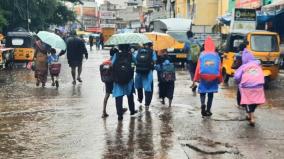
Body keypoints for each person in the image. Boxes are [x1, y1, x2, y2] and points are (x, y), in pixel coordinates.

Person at [234, 49, 266, 126]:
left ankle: (252, 118)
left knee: (247, 101)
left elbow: (237, 77)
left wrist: (239, 82)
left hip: (246, 87)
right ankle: (249, 115)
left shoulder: (244, 66)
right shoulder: (258, 65)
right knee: (255, 101)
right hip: (259, 86)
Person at [194, 36, 222, 117]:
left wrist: (196, 78)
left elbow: (198, 67)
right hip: (213, 77)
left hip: (203, 76)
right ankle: (208, 110)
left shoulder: (202, 55)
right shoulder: (216, 55)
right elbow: (219, 68)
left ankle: (203, 104)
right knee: (210, 93)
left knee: (202, 92)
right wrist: (220, 79)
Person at [112, 44, 138, 121]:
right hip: (128, 79)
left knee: (118, 96)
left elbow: (112, 64)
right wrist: (131, 67)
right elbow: (135, 63)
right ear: (128, 48)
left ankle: (120, 115)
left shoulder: (116, 55)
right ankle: (132, 111)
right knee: (130, 95)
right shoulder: (130, 55)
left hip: (118, 79)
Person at [134, 42, 157, 110]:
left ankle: (140, 99)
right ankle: (147, 104)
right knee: (148, 87)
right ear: (150, 46)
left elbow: (135, 60)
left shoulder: (138, 51)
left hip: (138, 72)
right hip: (148, 72)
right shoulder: (152, 52)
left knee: (139, 86)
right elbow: (154, 61)